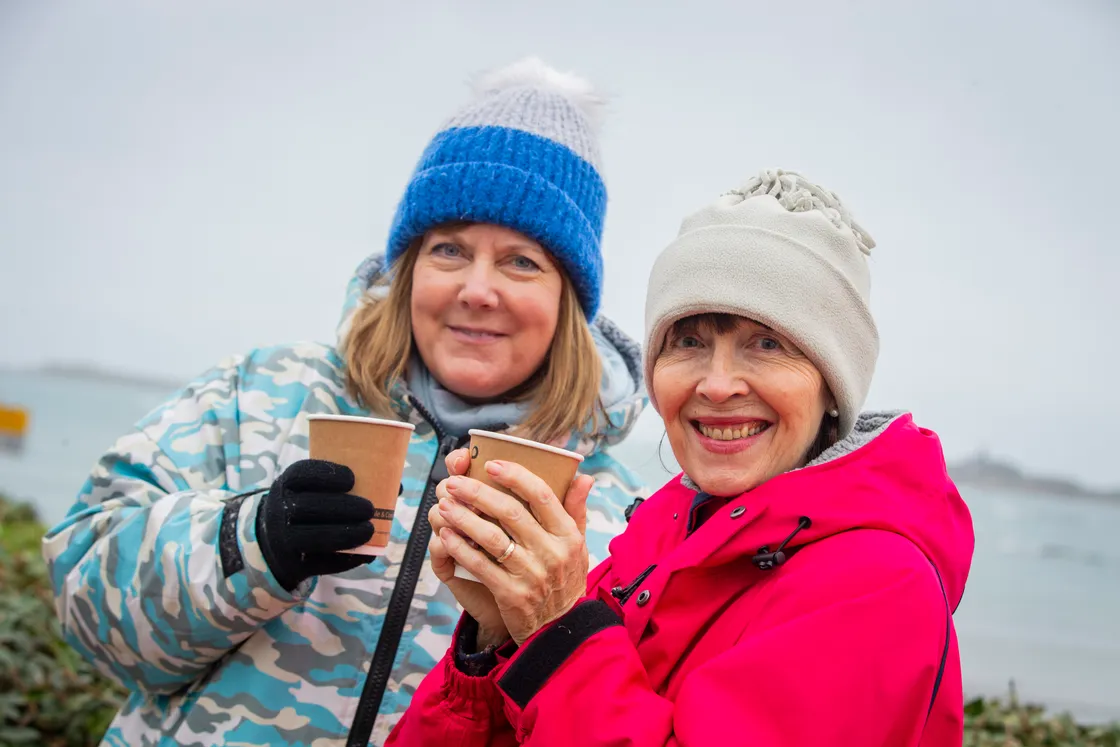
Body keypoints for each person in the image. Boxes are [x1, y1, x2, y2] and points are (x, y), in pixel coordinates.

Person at [40, 57, 649, 747]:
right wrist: (252, 539)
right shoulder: (261, 391)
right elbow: (82, 602)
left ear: (571, 299)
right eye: (449, 249)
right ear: (408, 265)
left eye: (521, 261)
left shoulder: (612, 518)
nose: (479, 290)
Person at [388, 170, 976, 746]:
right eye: (688, 341)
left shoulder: (877, 586)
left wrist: (556, 632)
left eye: (767, 344)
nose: (717, 385)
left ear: (833, 385)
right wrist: (499, 635)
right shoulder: (658, 541)